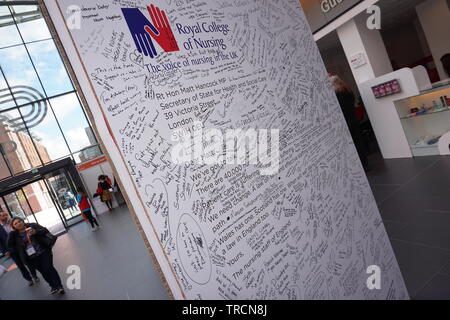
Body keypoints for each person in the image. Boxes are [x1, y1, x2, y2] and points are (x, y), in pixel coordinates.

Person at [7, 217, 65, 295]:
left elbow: (45, 230)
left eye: (19, 221)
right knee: (43, 271)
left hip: (43, 251)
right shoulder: (15, 235)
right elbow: (9, 244)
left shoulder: (32, 225)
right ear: (13, 227)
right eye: (15, 223)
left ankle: (59, 286)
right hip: (31, 258)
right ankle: (53, 286)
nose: (18, 224)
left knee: (49, 268)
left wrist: (36, 232)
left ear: (23, 221)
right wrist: (11, 233)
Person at [329, 74, 370, 171]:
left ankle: (360, 165)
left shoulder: (337, 96)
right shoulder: (348, 91)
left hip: (347, 123)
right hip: (354, 120)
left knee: (354, 144)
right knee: (358, 142)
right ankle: (365, 164)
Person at [0, 211, 39, 286]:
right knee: (20, 265)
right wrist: (4, 251)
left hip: (21, 246)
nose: (5, 217)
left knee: (28, 262)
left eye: (5, 215)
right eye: (2, 216)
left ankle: (34, 276)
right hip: (10, 250)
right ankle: (29, 279)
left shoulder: (13, 222)